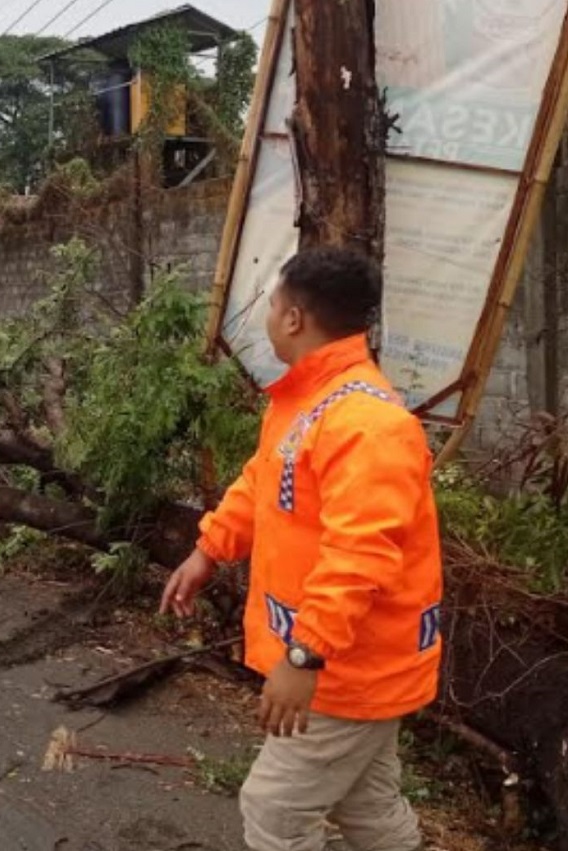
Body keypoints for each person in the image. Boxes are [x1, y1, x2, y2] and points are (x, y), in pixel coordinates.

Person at [161, 247, 442, 851]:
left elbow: (359, 556)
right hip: (345, 661)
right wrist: (208, 551)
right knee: (369, 809)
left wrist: (304, 657)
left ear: (293, 320)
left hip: (348, 667)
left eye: (271, 305)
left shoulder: (366, 423)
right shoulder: (309, 404)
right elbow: (263, 483)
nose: (267, 318)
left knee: (275, 810)